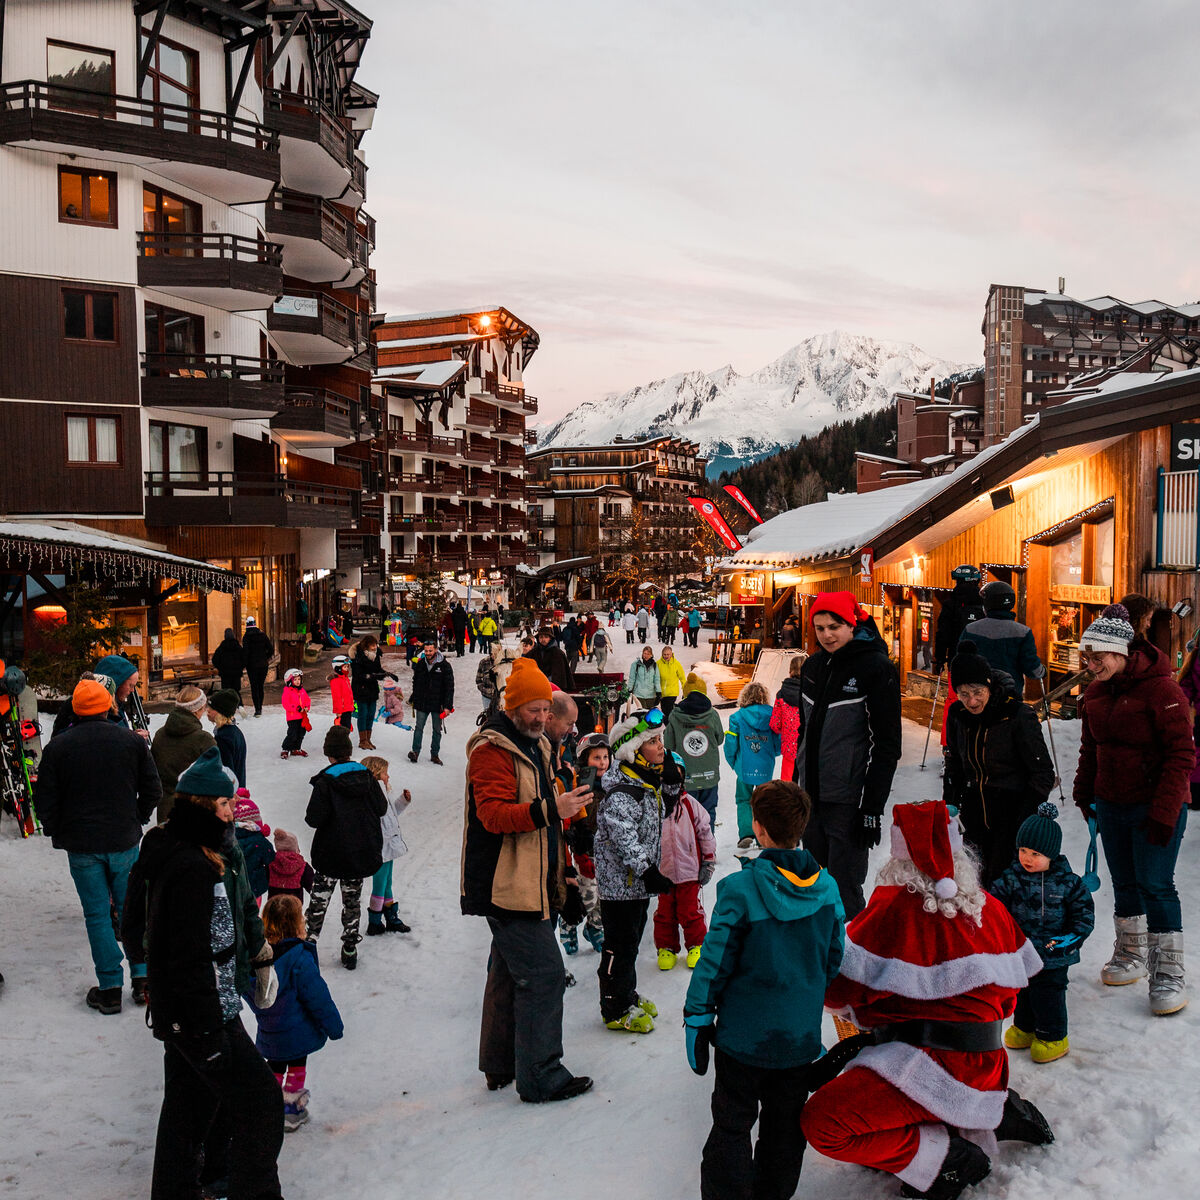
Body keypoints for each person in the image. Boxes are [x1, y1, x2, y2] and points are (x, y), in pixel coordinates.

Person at [801, 800, 1052, 1200]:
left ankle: (944, 1159)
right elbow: (1008, 1001)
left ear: (898, 855)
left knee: (824, 1123)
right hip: (987, 1065)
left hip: (929, 1068)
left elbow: (837, 990)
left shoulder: (891, 907)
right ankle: (992, 1112)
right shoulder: (991, 907)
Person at [121, 748, 283, 1200]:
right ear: (203, 804)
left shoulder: (204, 849)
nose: (234, 810)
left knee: (188, 1108)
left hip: (197, 1007)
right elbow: (183, 955)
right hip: (204, 1013)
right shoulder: (191, 865)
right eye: (227, 803)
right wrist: (205, 1029)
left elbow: (239, 909)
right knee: (261, 1105)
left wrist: (258, 954)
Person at [684, 780, 845, 1200]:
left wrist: (698, 1016)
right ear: (802, 826)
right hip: (797, 1040)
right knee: (784, 1126)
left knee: (732, 1124)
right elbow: (833, 958)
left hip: (742, 1040)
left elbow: (714, 963)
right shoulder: (828, 890)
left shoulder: (740, 890)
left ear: (758, 828)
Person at [461, 658, 593, 1102]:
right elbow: (493, 816)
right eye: (533, 709)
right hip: (506, 885)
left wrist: (566, 874)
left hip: (532, 880)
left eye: (544, 709)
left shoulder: (536, 745)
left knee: (507, 973)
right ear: (513, 706)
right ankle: (540, 1075)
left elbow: (549, 820)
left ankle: (500, 1065)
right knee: (543, 975)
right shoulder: (492, 750)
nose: (541, 717)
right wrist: (551, 810)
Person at [1073, 603, 1192, 1015]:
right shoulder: (1095, 692)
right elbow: (1092, 747)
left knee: (1155, 884)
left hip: (1155, 805)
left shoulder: (1163, 690)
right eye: (1086, 657)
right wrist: (1084, 790)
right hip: (1112, 802)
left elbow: (1182, 754)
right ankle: (1131, 953)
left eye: (1097, 656)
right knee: (1124, 882)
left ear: (1121, 651)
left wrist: (1164, 811)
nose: (1091, 665)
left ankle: (1169, 970)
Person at [34, 678, 161, 1013]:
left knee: (97, 915)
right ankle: (143, 977)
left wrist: (56, 828)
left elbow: (44, 799)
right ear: (107, 705)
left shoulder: (59, 747)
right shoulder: (130, 742)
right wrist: (138, 817)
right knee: (133, 908)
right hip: (123, 839)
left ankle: (109, 987)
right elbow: (153, 789)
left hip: (82, 843)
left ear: (75, 708)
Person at [793, 592, 901, 919]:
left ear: (851, 624)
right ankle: (820, 957)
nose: (827, 635)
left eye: (835, 626)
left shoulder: (875, 667)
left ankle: (852, 961)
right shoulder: (813, 665)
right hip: (810, 795)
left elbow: (887, 746)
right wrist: (794, 784)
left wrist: (871, 809)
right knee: (811, 882)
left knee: (844, 889)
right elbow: (804, 731)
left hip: (848, 801)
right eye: (820, 627)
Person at [942, 642, 1054, 885]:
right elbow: (954, 764)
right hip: (973, 811)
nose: (971, 702)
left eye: (977, 692)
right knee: (972, 881)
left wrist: (1026, 817)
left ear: (989, 686)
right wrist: (950, 803)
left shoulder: (1016, 715)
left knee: (1002, 881)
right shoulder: (957, 715)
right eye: (963, 694)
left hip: (1011, 811)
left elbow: (1042, 772)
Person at [594, 711, 678, 1034]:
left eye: (660, 739)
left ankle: (627, 992)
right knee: (620, 944)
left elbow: (664, 812)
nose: (661, 746)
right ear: (632, 750)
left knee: (632, 940)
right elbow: (624, 838)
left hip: (637, 886)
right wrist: (647, 871)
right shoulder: (621, 791)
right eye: (652, 741)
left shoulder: (645, 782)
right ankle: (614, 1007)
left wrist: (670, 783)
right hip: (620, 887)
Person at [990, 802, 1095, 1063]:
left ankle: (1053, 1037)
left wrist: (1069, 940)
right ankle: (1025, 1029)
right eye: (1023, 850)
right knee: (1023, 991)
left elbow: (1083, 917)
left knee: (1048, 995)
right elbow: (994, 904)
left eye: (1035, 853)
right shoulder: (1011, 878)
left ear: (1051, 855)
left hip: (1054, 953)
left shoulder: (1069, 883)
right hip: (1022, 952)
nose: (1027, 857)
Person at [247, 895, 344, 1132]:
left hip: (270, 1029)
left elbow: (250, 991)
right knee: (296, 1065)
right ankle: (291, 1109)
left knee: (275, 1065)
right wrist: (334, 1026)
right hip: (298, 1031)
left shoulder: (257, 959)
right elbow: (317, 996)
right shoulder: (299, 958)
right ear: (297, 923)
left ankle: (268, 1105)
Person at [304, 725, 388, 970]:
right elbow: (381, 809)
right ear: (349, 752)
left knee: (319, 901)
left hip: (330, 854)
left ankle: (309, 944)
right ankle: (350, 947)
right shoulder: (367, 778)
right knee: (352, 901)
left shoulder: (326, 781)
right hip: (359, 854)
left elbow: (313, 819)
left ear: (329, 754)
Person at [654, 753, 716, 971]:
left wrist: (708, 860)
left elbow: (705, 833)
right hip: (663, 872)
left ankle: (697, 945)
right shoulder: (654, 804)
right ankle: (666, 948)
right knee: (665, 914)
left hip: (690, 871)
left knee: (691, 912)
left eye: (676, 776)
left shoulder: (691, 805)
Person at [560, 732, 608, 956]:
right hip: (583, 852)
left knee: (602, 896)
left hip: (606, 851)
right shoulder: (579, 784)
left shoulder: (613, 783)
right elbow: (570, 819)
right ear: (585, 759)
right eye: (596, 758)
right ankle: (568, 926)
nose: (602, 763)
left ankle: (595, 927)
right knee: (584, 894)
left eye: (605, 757)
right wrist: (577, 847)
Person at [961, 581, 1044, 699]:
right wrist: (1042, 671)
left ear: (988, 604)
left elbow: (961, 662)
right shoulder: (1023, 632)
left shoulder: (971, 629)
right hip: (1010, 695)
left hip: (977, 696)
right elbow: (1032, 668)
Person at [664, 673, 725, 833]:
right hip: (709, 776)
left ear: (685, 693)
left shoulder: (675, 716)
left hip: (686, 777)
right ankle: (708, 852)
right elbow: (719, 739)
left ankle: (690, 853)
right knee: (708, 813)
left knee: (686, 815)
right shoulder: (712, 714)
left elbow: (668, 744)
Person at [724, 682, 780, 850]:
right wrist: (770, 754)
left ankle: (747, 833)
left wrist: (733, 762)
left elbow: (731, 743)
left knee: (743, 799)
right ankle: (766, 836)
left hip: (744, 766)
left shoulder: (737, 718)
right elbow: (777, 744)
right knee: (765, 800)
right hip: (765, 766)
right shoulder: (772, 715)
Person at [362, 755, 413, 934]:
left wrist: (403, 801)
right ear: (376, 773)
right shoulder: (372, 794)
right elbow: (379, 819)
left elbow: (391, 814)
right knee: (380, 883)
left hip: (388, 844)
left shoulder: (382, 791)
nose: (388, 777)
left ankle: (390, 917)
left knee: (387, 883)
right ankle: (375, 920)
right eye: (385, 773)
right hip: (380, 846)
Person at [151, 686, 216, 822]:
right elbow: (215, 780)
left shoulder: (160, 735)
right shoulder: (204, 740)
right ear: (198, 709)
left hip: (166, 811)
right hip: (196, 812)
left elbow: (154, 773)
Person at [933, 565, 986, 675]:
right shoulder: (985, 604)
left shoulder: (950, 604)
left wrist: (940, 659)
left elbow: (943, 634)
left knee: (958, 691)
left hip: (956, 660)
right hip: (982, 662)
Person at [408, 639, 455, 765]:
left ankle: (435, 754)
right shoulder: (420, 664)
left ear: (435, 650)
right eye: (426, 650)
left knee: (436, 730)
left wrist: (447, 706)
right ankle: (415, 752)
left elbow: (449, 687)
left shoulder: (445, 666)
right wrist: (415, 697)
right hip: (422, 702)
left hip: (437, 703)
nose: (428, 653)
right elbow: (415, 681)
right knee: (419, 727)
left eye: (430, 650)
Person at [351, 635, 397, 752]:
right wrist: (370, 676)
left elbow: (377, 670)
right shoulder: (358, 656)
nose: (374, 647)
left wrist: (386, 674)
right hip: (361, 689)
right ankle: (362, 741)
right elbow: (357, 674)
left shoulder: (376, 655)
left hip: (371, 689)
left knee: (371, 714)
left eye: (375, 645)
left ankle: (368, 739)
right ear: (366, 645)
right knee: (363, 714)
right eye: (372, 645)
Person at [233, 789, 275, 902]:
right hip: (256, 887)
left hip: (235, 888)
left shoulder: (229, 841)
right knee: (254, 910)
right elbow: (271, 859)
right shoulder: (260, 841)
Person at [769, 655, 805, 784]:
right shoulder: (813, 692)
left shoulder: (782, 694)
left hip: (789, 748)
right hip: (809, 746)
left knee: (788, 786)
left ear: (790, 671)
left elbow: (775, 724)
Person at [207, 689, 247, 789]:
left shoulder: (223, 737)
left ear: (221, 712)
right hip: (239, 788)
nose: (208, 710)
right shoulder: (234, 731)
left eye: (212, 708)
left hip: (231, 793)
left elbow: (227, 773)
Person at [268, 827, 314, 904]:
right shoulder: (303, 866)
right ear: (295, 847)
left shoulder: (271, 863)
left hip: (273, 906)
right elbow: (312, 887)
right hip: (294, 908)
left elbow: (262, 880)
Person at [241, 616, 274, 717]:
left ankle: (257, 709)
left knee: (254, 687)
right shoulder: (263, 635)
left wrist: (244, 664)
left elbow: (245, 653)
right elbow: (271, 650)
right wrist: (265, 658)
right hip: (263, 665)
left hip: (252, 666)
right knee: (260, 686)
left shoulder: (246, 637)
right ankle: (260, 707)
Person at [528, 625, 575, 691]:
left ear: (550, 638)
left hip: (554, 687)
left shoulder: (558, 653)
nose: (543, 639)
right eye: (541, 637)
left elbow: (559, 674)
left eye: (546, 637)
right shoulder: (533, 653)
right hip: (536, 686)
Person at [280, 668, 312, 761]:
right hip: (292, 718)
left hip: (302, 717)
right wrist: (296, 708)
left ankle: (296, 748)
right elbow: (286, 704)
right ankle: (285, 748)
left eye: (299, 679)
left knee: (301, 733)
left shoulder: (302, 690)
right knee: (292, 734)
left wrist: (306, 707)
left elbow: (307, 700)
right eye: (295, 679)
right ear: (289, 681)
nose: (298, 681)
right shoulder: (287, 691)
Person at [212, 627, 245, 695]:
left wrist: (220, 668)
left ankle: (227, 705)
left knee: (226, 692)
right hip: (236, 674)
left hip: (225, 674)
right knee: (236, 691)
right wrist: (240, 667)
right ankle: (239, 704)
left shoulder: (221, 647)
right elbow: (244, 659)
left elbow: (215, 660)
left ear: (225, 636)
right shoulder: (238, 646)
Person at [627, 646, 661, 711]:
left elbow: (656, 679)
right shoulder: (636, 664)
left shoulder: (654, 665)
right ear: (642, 654)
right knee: (642, 713)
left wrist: (658, 692)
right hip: (639, 694)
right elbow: (632, 678)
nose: (646, 656)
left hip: (651, 695)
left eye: (648, 654)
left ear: (651, 655)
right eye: (644, 653)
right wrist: (630, 689)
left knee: (649, 716)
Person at [657, 644, 687, 717]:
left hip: (672, 692)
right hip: (662, 692)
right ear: (662, 654)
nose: (666, 656)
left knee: (668, 710)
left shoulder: (676, 664)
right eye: (664, 654)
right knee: (664, 709)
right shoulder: (658, 664)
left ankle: (670, 724)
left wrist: (685, 690)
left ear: (671, 654)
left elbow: (682, 677)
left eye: (668, 654)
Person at [329, 655, 353, 730]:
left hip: (348, 708)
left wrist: (352, 705)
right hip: (342, 710)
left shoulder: (345, 679)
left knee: (347, 728)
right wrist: (338, 711)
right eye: (345, 667)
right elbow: (336, 697)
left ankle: (344, 741)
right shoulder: (335, 680)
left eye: (347, 667)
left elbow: (349, 694)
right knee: (343, 729)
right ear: (338, 668)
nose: (347, 669)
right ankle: (342, 741)